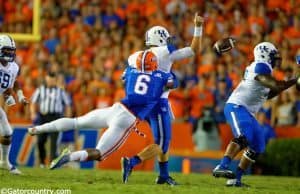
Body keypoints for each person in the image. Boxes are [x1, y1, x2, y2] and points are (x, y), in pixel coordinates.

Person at [27, 52, 176, 170]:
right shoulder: (161, 76)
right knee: (99, 153)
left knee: (75, 121)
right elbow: (172, 83)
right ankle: (69, 157)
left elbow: (125, 75)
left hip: (115, 108)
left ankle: (38, 128)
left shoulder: (131, 72)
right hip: (126, 119)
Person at [121, 13, 204, 185]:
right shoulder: (165, 52)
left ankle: (164, 175)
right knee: (163, 143)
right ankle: (132, 162)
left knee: (161, 140)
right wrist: (198, 27)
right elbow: (194, 49)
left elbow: (124, 77)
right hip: (158, 103)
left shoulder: (135, 55)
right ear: (161, 39)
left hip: (142, 102)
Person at [212, 42, 299, 187]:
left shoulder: (264, 71)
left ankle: (236, 180)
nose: (277, 58)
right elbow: (277, 86)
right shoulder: (261, 66)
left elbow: (270, 94)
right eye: (273, 55)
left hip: (247, 111)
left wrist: (293, 81)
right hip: (236, 106)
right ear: (265, 55)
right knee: (244, 137)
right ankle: (222, 166)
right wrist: (294, 80)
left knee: (257, 145)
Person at [30, 71, 72, 167]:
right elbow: (33, 102)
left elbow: (68, 104)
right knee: (40, 140)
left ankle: (53, 164)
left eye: (52, 80)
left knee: (54, 142)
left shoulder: (60, 91)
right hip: (43, 117)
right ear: (46, 79)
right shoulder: (40, 90)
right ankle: (41, 162)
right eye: (49, 80)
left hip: (55, 117)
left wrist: (67, 117)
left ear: (55, 80)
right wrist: (33, 113)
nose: (50, 82)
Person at [0, 34, 29, 174]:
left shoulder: (13, 67)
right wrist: (7, 96)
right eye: (7, 50)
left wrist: (19, 96)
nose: (10, 53)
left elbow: (11, 83)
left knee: (7, 132)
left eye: (11, 50)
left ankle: (4, 162)